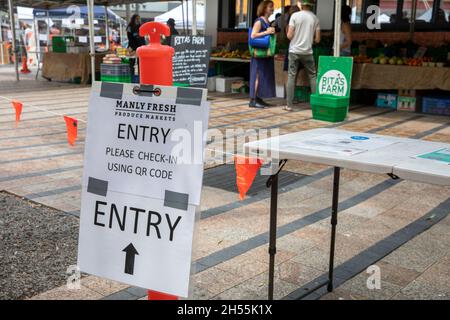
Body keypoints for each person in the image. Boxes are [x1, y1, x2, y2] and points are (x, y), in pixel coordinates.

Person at [285, 0, 320, 111]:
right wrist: (308, 40)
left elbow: (289, 36)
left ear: (302, 4)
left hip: (294, 51)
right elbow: (318, 39)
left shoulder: (295, 16)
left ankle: (289, 105)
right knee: (312, 76)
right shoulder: (315, 18)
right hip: (308, 52)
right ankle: (315, 105)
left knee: (291, 76)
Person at [249, 0, 276, 109]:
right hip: (259, 54)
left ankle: (259, 98)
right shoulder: (259, 21)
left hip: (265, 54)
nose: (272, 9)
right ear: (264, 8)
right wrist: (267, 32)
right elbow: (253, 36)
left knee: (263, 76)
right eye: (270, 7)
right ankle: (253, 100)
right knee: (257, 75)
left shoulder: (267, 21)